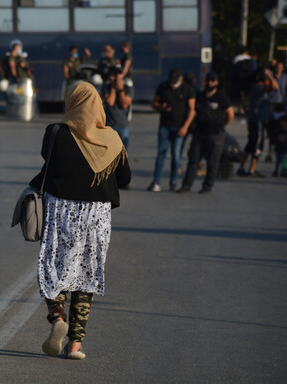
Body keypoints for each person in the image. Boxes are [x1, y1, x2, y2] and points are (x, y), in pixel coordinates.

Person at [29, 82, 130, 360]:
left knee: (53, 268)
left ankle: (57, 316)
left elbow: (47, 163)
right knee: (86, 275)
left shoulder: (56, 132)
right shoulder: (113, 139)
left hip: (61, 210)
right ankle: (75, 345)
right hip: (97, 216)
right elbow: (125, 179)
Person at [177, 72, 234, 194]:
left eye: (213, 80)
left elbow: (230, 115)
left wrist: (221, 125)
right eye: (208, 80)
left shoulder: (221, 97)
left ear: (217, 82)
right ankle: (186, 185)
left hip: (215, 134)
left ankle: (207, 186)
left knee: (212, 161)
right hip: (200, 133)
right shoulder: (200, 96)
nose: (210, 82)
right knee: (193, 159)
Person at [148, 68, 196, 192]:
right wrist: (160, 107)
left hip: (179, 127)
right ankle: (156, 181)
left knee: (176, 155)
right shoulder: (163, 87)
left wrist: (185, 127)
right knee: (161, 153)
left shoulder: (187, 90)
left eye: (175, 81)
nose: (173, 84)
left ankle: (173, 181)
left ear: (180, 79)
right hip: (165, 126)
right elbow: (154, 104)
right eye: (171, 81)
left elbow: (192, 110)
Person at [237, 67, 278, 177]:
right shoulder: (258, 87)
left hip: (254, 119)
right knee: (257, 144)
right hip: (258, 120)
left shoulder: (254, 87)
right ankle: (251, 169)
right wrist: (270, 75)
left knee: (251, 143)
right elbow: (275, 86)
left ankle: (242, 167)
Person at [101, 65, 133, 150]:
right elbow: (110, 102)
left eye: (119, 75)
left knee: (123, 154)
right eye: (114, 75)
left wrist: (121, 89)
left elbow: (124, 105)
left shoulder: (128, 88)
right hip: (110, 126)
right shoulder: (106, 87)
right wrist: (114, 88)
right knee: (110, 153)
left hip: (123, 125)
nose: (116, 78)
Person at [266, 61, 287, 162]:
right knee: (271, 127)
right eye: (277, 67)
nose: (278, 68)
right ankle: (269, 152)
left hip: (281, 103)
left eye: (280, 67)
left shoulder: (285, 78)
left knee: (282, 127)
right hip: (272, 103)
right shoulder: (271, 77)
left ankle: (283, 151)